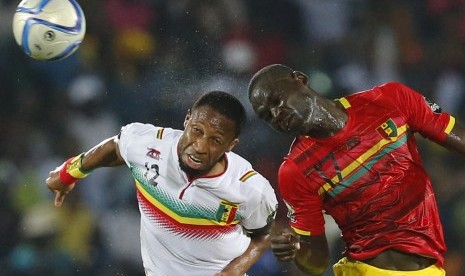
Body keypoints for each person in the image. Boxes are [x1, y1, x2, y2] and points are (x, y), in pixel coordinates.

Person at [247, 64, 465, 275]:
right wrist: (296, 249)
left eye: (276, 101)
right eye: (267, 116)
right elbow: (317, 263)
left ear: (300, 79)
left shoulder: (390, 99)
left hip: (431, 270)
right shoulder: (294, 171)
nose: (275, 114)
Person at [46, 91, 278, 276]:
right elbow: (116, 148)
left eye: (215, 140)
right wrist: (69, 173)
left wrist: (234, 271)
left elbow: (263, 236)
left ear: (231, 145)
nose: (200, 146)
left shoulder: (250, 190)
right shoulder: (148, 144)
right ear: (187, 119)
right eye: (197, 131)